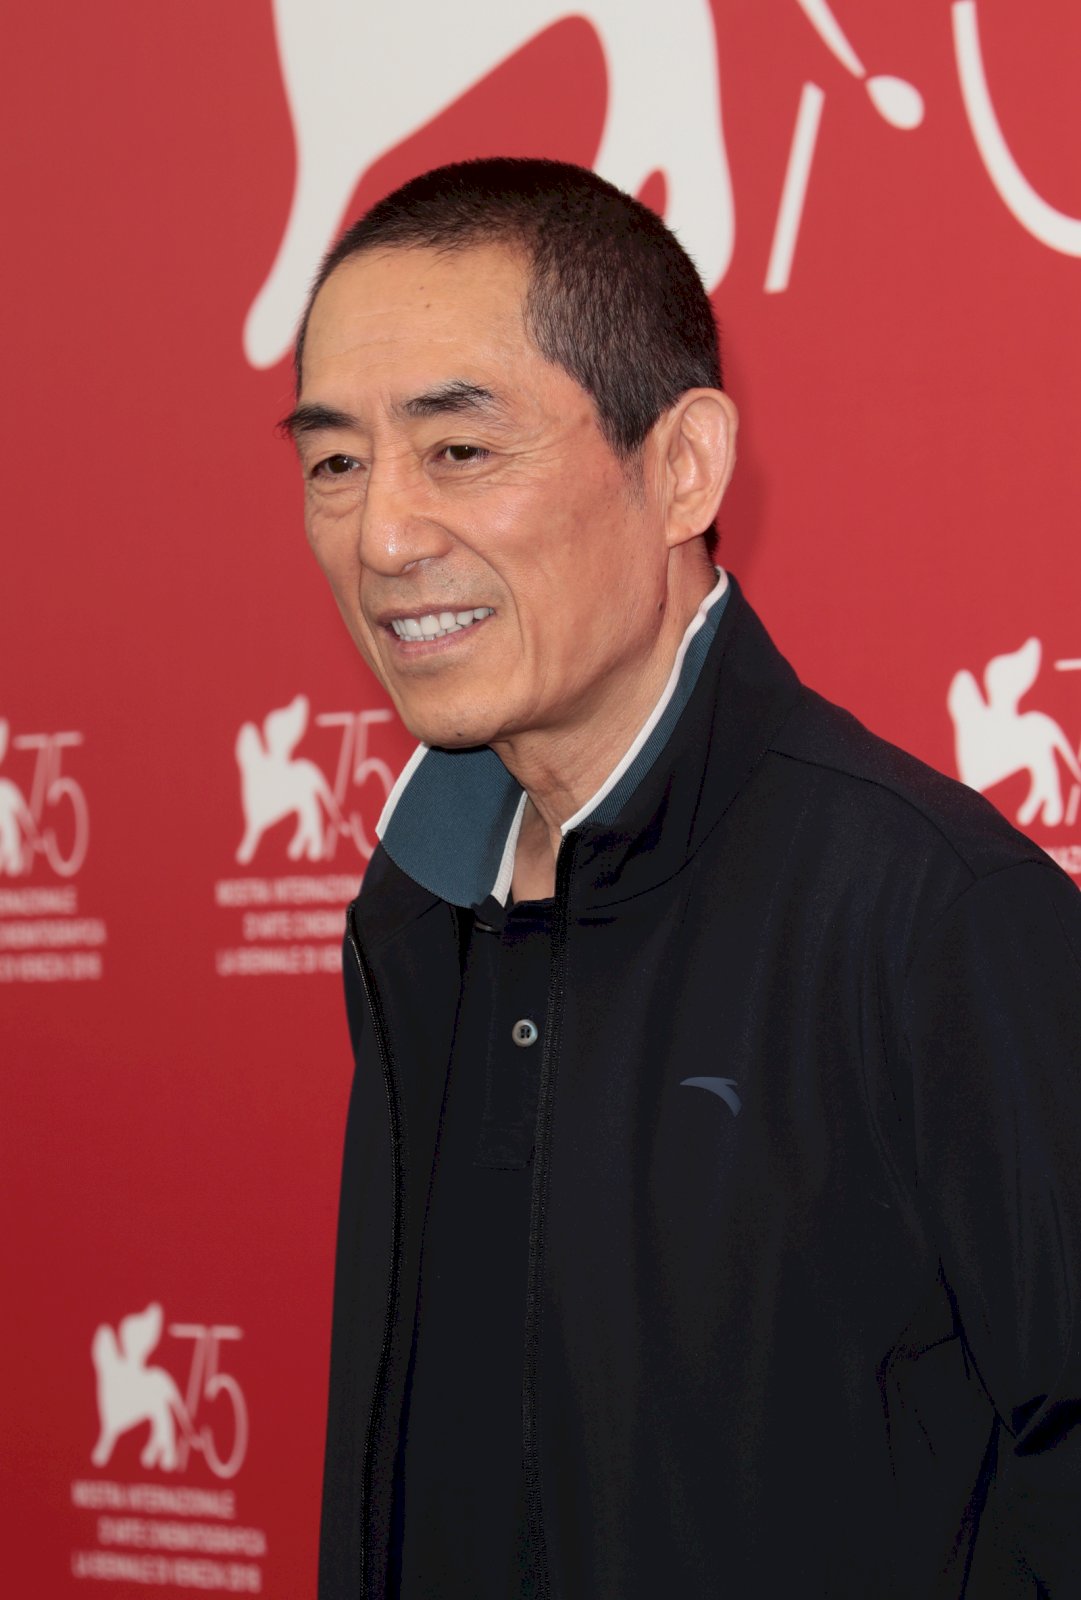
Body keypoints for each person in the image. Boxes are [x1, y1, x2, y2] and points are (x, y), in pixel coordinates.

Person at [282, 158, 1081, 1599]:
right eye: (336, 462)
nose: (382, 535)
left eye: (458, 449)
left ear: (683, 468)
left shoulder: (930, 914)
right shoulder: (414, 909)